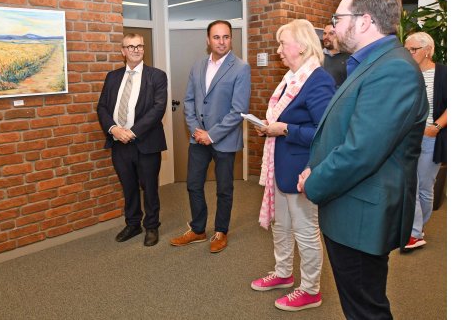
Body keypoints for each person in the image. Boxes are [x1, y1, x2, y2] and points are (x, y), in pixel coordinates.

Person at [296, 0, 428, 319]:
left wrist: (313, 182)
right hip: (351, 207)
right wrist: (318, 165)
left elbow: (360, 152)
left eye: (339, 18)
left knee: (365, 311)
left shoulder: (393, 69)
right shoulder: (371, 63)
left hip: (361, 216)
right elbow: (349, 132)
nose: (334, 26)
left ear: (365, 20)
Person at [250, 19, 336, 312]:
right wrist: (270, 127)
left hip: (302, 171)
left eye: (282, 43)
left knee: (305, 231)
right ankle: (283, 274)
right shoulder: (291, 77)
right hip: (281, 167)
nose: (278, 50)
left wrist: (284, 129)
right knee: (282, 227)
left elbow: (326, 133)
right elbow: (287, 119)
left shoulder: (318, 80)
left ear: (300, 46)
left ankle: (311, 290)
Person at [169, 20, 251, 253]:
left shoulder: (240, 68)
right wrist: (197, 130)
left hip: (223, 140)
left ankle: (221, 231)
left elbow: (238, 110)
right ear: (208, 40)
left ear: (231, 39)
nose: (221, 41)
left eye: (226, 37)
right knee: (193, 185)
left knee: (224, 188)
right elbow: (189, 101)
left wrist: (212, 135)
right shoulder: (197, 66)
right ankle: (197, 229)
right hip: (198, 138)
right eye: (216, 37)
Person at [97, 33, 168, 247]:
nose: (135, 50)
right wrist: (113, 129)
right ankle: (133, 223)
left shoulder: (157, 76)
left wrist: (132, 132)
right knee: (128, 186)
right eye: (130, 46)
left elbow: (158, 109)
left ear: (143, 49)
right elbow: (102, 107)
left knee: (150, 188)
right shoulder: (112, 77)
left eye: (139, 46)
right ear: (123, 51)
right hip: (119, 144)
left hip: (145, 142)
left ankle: (152, 226)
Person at [402, 32, 447, 251]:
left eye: (413, 49)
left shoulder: (444, 73)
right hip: (408, 137)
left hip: (430, 137)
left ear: (427, 50)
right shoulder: (406, 74)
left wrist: (435, 127)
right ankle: (415, 232)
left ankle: (418, 228)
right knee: (410, 183)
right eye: (407, 49)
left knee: (425, 187)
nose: (409, 53)